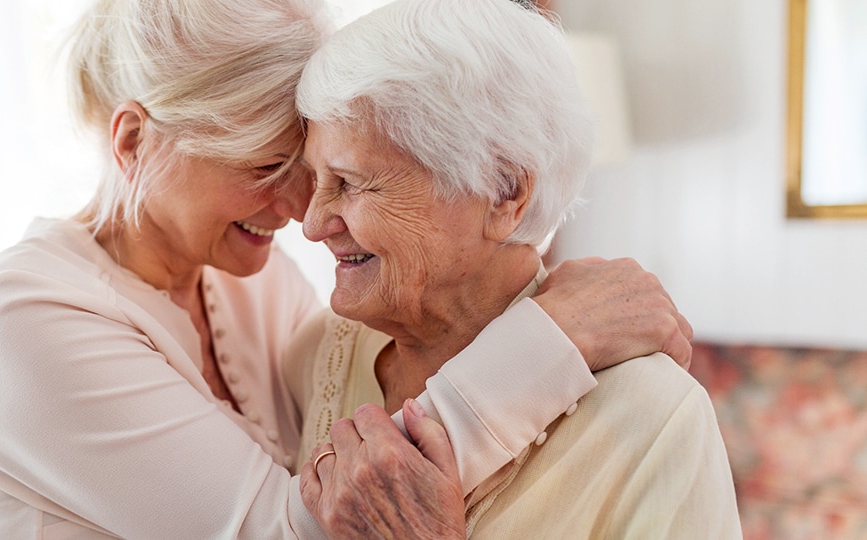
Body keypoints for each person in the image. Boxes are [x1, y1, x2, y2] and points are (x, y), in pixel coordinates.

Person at [0, 0, 696, 537]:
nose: (301, 211)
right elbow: (294, 524)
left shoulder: (251, 282)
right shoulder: (27, 320)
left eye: (319, 168)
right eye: (267, 165)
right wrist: (549, 339)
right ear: (133, 143)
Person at [288, 0, 742, 537]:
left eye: (352, 181)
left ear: (504, 192)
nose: (313, 224)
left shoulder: (656, 417)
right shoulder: (318, 353)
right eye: (314, 177)